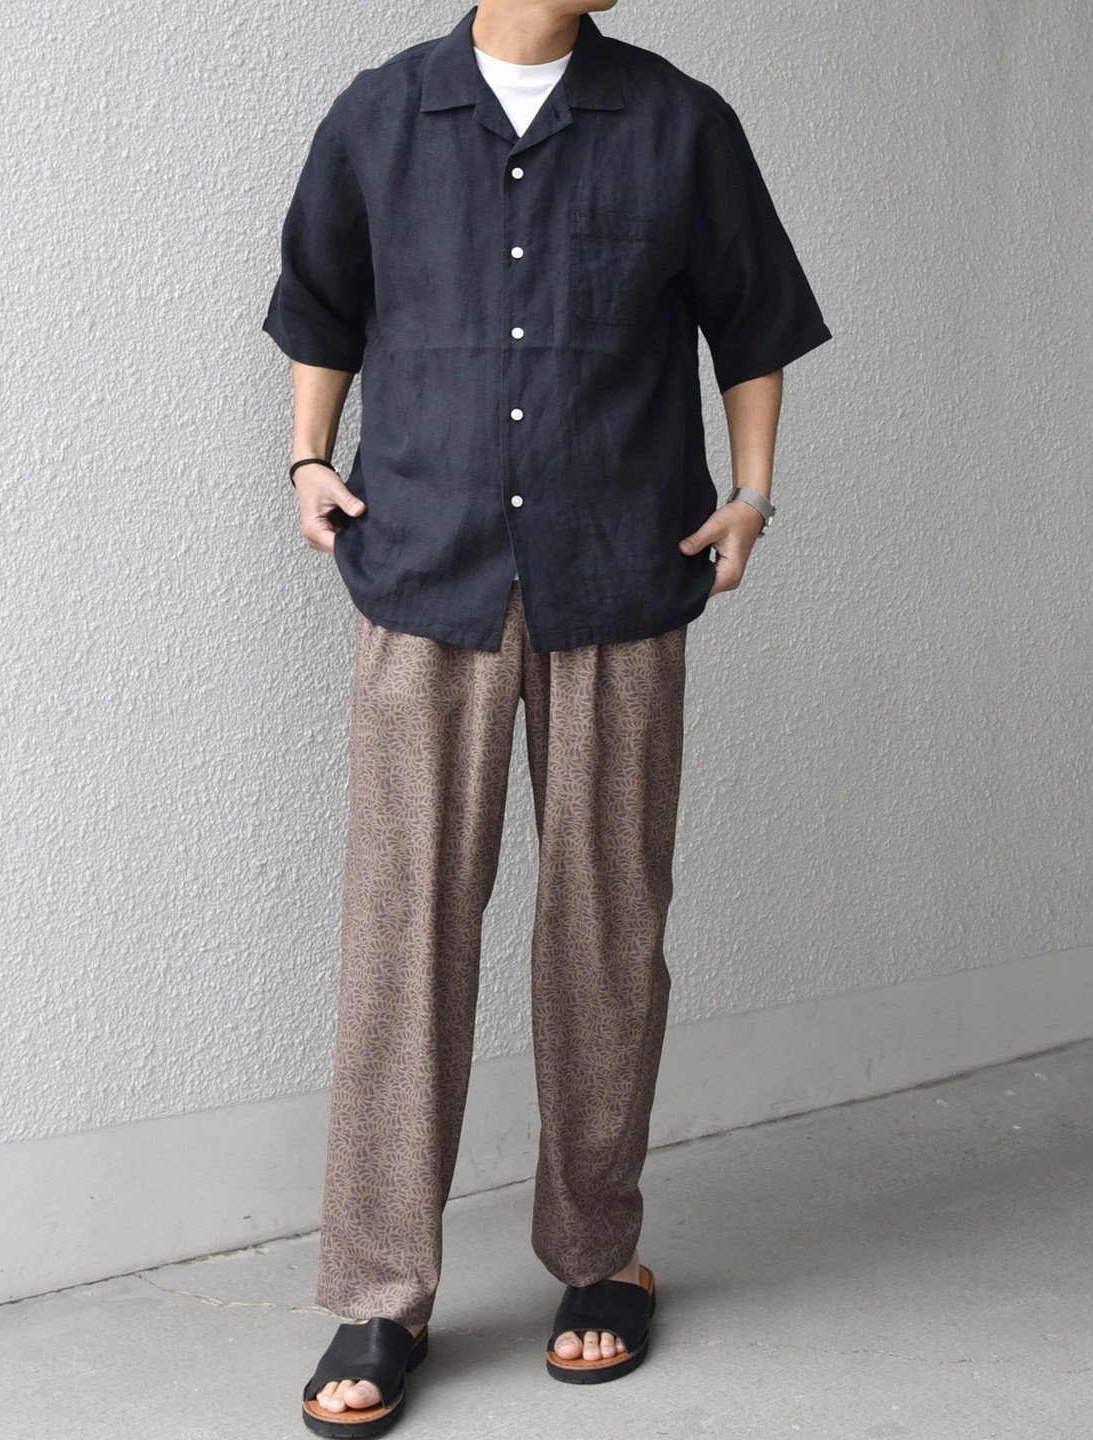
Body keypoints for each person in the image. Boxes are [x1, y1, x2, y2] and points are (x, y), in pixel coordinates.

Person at [261, 1, 831, 1432]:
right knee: (404, 937)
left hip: (619, 572)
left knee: (606, 929)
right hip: (425, 575)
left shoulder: (679, 122)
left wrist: (754, 493)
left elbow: (753, 321)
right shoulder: (381, 117)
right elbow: (322, 307)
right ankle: (381, 1290)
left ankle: (599, 1256)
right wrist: (306, 459)